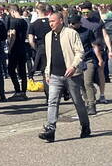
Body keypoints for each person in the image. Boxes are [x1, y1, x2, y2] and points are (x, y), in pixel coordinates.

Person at [37, 12, 91, 142]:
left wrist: (73, 66)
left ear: (61, 20)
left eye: (53, 21)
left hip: (71, 74)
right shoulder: (48, 36)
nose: (51, 24)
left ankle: (85, 126)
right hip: (55, 75)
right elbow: (48, 57)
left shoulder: (71, 33)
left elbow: (80, 52)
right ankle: (50, 129)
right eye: (49, 21)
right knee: (52, 101)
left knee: (78, 102)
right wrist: (47, 73)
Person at [5, 5, 29, 100]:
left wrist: (10, 45)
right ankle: (23, 92)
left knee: (11, 70)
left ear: (13, 12)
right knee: (22, 70)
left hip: (14, 48)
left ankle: (17, 90)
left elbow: (13, 34)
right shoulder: (24, 22)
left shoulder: (14, 22)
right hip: (22, 47)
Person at [27, 3, 52, 83]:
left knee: (44, 71)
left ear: (37, 10)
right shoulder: (51, 22)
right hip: (53, 47)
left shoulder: (33, 24)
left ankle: (48, 92)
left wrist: (36, 48)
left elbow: (31, 40)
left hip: (41, 48)